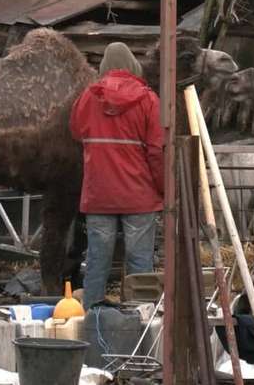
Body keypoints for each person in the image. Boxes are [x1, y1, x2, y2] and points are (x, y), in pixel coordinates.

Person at [69, 42, 164, 310]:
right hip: (139, 195)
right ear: (133, 63)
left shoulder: (87, 98)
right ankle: (142, 314)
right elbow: (157, 150)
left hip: (99, 194)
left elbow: (76, 131)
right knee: (139, 261)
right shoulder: (148, 99)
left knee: (98, 257)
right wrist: (164, 189)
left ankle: (92, 315)